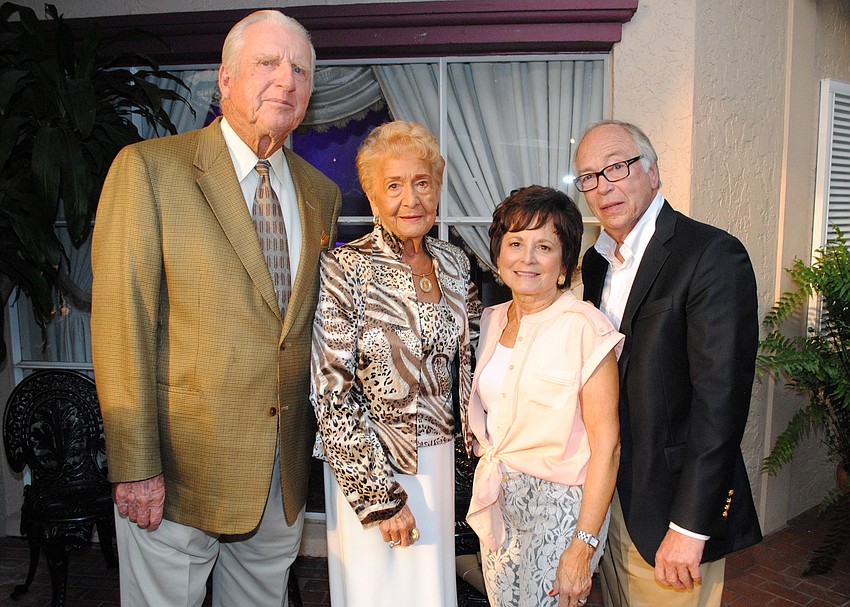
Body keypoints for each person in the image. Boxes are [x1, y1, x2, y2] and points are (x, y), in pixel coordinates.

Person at [90, 10, 341, 607]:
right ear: (225, 78)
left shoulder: (320, 193)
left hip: (280, 483)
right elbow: (122, 326)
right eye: (268, 63)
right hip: (176, 479)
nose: (287, 79)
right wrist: (134, 465)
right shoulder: (150, 170)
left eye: (301, 69)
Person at [575, 120, 762, 607]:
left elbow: (720, 403)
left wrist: (691, 525)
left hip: (670, 512)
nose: (603, 186)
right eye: (589, 177)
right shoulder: (596, 264)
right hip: (610, 504)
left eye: (616, 167)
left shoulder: (711, 255)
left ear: (653, 172)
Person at [310, 120, 481, 607]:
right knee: (379, 593)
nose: (412, 199)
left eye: (422, 182)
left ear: (438, 188)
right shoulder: (346, 267)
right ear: (370, 193)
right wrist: (381, 499)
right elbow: (330, 392)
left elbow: (465, 366)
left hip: (440, 461)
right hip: (374, 464)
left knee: (430, 589)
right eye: (394, 185)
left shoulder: (455, 263)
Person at [465, 185, 623, 607]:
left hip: (562, 509)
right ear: (498, 256)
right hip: (500, 498)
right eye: (515, 243)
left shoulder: (587, 328)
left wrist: (583, 544)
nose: (527, 258)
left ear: (565, 264)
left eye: (544, 246)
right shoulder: (492, 321)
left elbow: (607, 448)